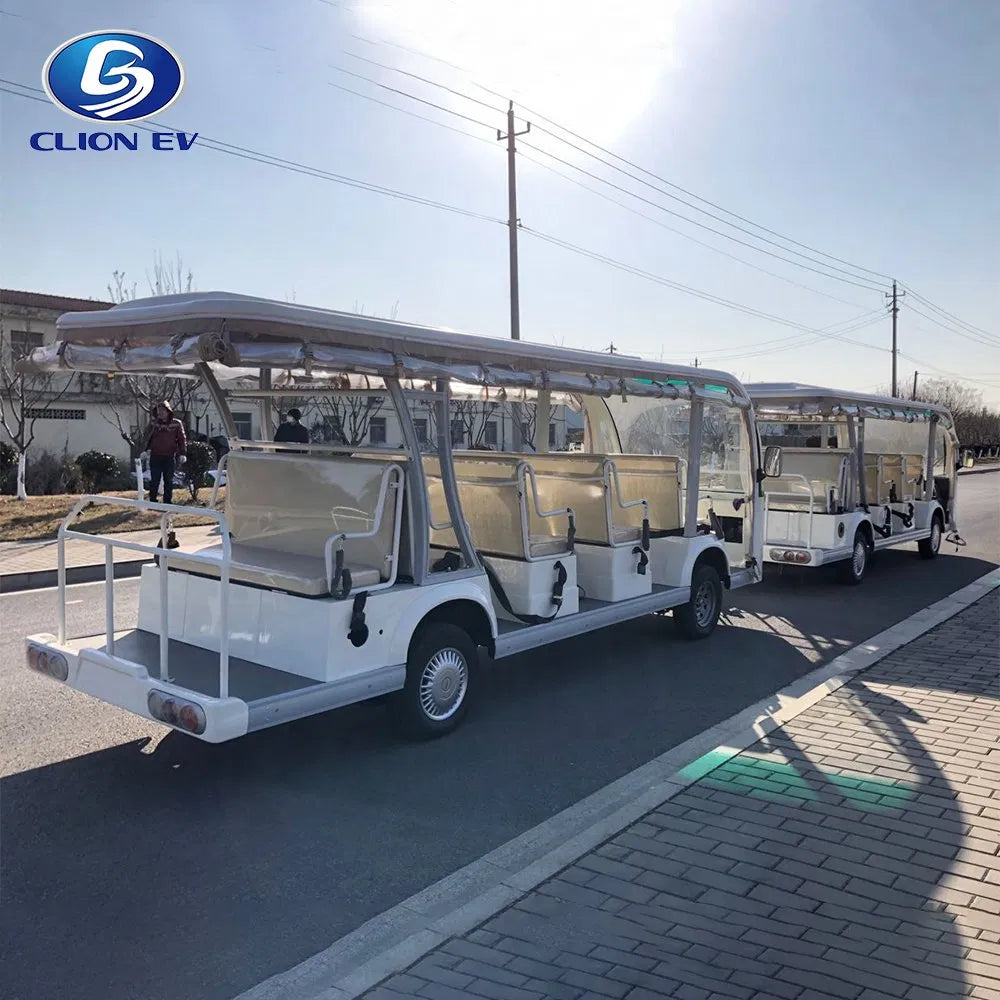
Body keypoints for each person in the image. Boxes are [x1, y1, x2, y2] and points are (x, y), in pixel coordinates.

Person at [142, 400, 187, 504]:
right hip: (155, 455)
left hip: (169, 456)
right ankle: (152, 501)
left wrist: (183, 453)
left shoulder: (176, 424)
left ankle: (167, 501)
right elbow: (148, 438)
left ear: (168, 411)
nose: (160, 413)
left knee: (169, 480)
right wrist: (145, 450)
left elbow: (181, 439)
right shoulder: (154, 424)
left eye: (163, 410)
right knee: (155, 480)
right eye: (159, 411)